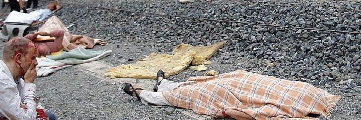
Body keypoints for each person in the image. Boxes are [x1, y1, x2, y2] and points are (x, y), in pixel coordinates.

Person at [122, 69, 340, 119]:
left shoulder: (314, 93)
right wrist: (226, 113)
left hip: (244, 82)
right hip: (245, 86)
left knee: (203, 87)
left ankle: (154, 90)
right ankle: (161, 88)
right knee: (199, 91)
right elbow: (254, 114)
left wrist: (227, 112)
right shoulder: (289, 113)